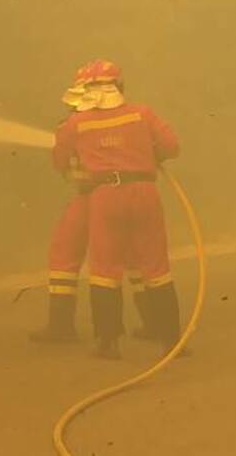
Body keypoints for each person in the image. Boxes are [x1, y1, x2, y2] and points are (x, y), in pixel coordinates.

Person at [53, 59, 182, 360]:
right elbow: (171, 147)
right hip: (145, 192)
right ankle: (172, 342)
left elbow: (61, 162)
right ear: (119, 87)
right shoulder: (142, 114)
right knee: (157, 268)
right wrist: (147, 153)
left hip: (105, 197)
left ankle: (108, 344)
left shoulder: (75, 124)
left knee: (104, 270)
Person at [31, 66, 154, 343]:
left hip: (93, 197)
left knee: (67, 255)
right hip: (120, 195)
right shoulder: (127, 118)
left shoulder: (73, 124)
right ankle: (154, 322)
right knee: (134, 256)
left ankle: (64, 326)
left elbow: (60, 162)